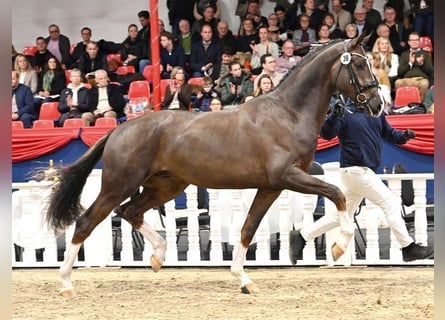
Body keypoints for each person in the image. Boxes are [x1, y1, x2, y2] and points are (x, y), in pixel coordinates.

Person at [288, 97, 434, 264]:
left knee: (341, 216)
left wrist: (403, 137)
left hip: (360, 172)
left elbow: (389, 133)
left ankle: (302, 236)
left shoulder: (376, 113)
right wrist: (335, 116)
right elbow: (327, 134)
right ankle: (408, 248)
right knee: (391, 203)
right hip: (355, 170)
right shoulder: (345, 112)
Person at [395, 32, 433, 102]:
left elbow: (430, 71)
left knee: (425, 84)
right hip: (406, 80)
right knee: (398, 82)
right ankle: (401, 105)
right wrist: (410, 63)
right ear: (409, 42)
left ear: (419, 42)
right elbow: (400, 72)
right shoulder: (404, 54)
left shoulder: (425, 54)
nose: (414, 42)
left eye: (416, 40)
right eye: (412, 40)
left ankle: (420, 106)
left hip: (420, 79)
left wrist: (421, 63)